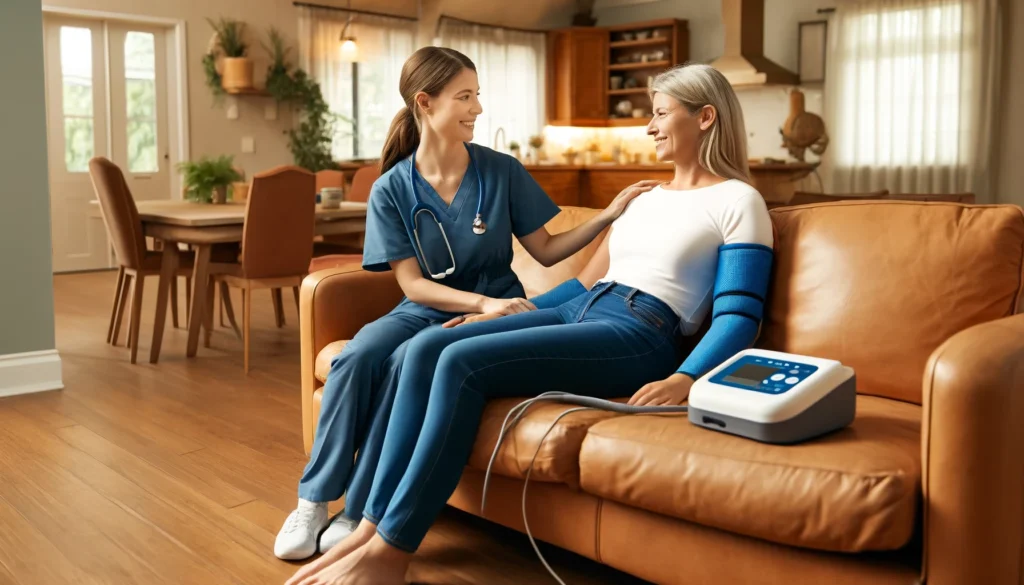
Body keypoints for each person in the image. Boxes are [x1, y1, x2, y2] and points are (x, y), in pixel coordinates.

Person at [285, 62, 776, 585]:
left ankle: (391, 550)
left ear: (704, 117)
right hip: (582, 309)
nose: (649, 127)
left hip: (641, 328)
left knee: (460, 361)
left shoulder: (739, 201)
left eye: (660, 114)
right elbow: (583, 286)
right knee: (429, 345)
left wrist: (686, 376)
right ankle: (366, 527)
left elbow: (739, 316)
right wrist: (502, 313)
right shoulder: (645, 198)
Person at [274, 46, 656, 561]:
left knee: (403, 362)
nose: (477, 108)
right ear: (425, 103)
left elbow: (545, 249)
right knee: (359, 355)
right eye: (465, 97)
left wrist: (608, 214)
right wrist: (478, 303)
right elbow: (411, 285)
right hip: (430, 305)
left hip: (502, 309)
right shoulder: (391, 188)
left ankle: (356, 511)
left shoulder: (501, 171)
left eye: (477, 95)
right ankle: (313, 501)